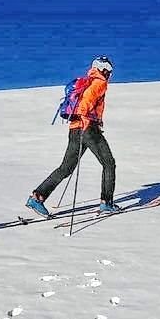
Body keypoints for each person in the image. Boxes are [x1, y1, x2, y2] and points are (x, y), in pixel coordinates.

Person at [25, 56, 118, 217]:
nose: (110, 74)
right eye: (109, 70)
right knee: (109, 164)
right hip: (87, 129)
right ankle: (106, 203)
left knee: (65, 168)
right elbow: (85, 104)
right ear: (102, 69)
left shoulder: (88, 81)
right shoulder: (99, 82)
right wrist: (88, 121)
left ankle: (37, 197)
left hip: (75, 129)